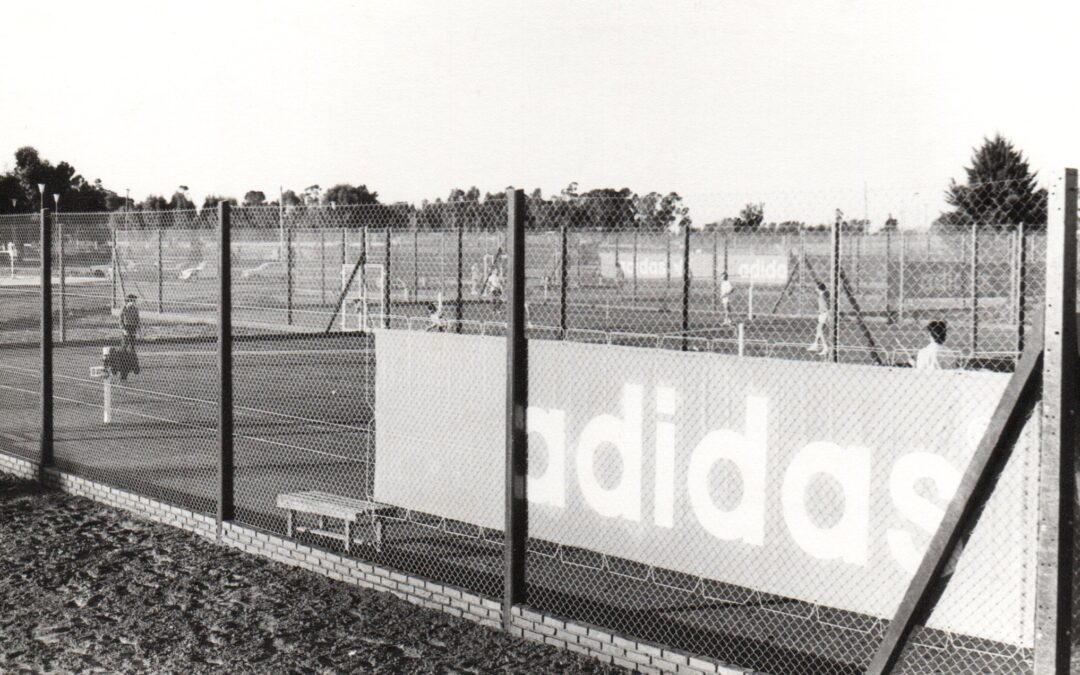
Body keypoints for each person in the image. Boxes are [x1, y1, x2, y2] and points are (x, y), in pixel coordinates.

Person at [118, 293, 141, 379]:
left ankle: (134, 365)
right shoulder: (124, 308)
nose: (134, 302)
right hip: (126, 328)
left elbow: (137, 319)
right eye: (133, 300)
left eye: (135, 301)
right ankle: (121, 364)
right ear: (129, 301)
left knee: (132, 347)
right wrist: (123, 330)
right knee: (124, 347)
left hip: (133, 328)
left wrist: (138, 330)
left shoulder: (135, 309)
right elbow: (120, 320)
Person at [807, 282, 830, 356]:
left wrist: (823, 312)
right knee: (818, 329)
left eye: (816, 287)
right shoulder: (824, 295)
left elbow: (826, 307)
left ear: (818, 288)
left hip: (824, 314)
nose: (815, 289)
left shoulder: (822, 296)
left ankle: (825, 347)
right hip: (822, 314)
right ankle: (816, 344)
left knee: (820, 330)